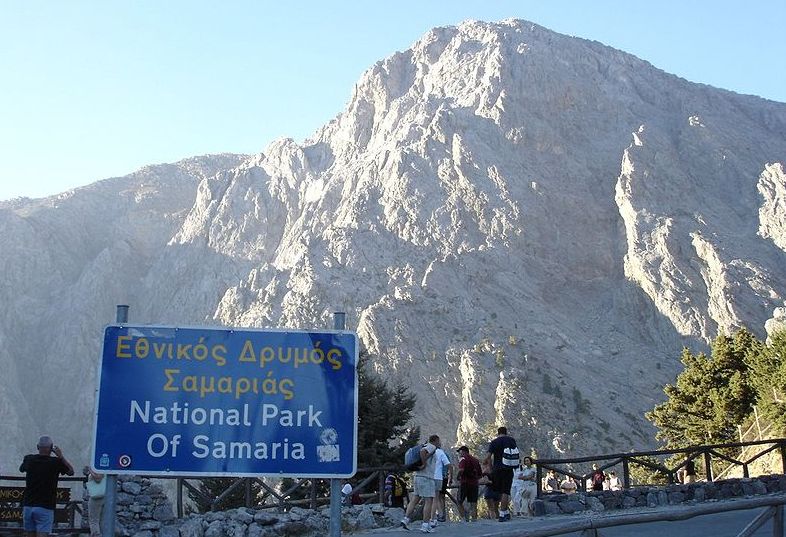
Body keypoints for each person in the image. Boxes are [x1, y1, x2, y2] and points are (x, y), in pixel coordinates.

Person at [19, 436, 75, 537]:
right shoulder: (56, 462)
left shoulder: (29, 459)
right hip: (45, 506)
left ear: (37, 447)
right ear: (51, 448)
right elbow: (71, 471)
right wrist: (61, 457)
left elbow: (21, 469)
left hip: (28, 505)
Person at [401, 435, 439, 533]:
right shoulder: (432, 446)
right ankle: (425, 525)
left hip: (417, 477)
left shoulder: (424, 445)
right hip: (426, 478)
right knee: (429, 501)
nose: (440, 443)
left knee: (415, 499)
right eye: (439, 441)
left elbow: (422, 452)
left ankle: (405, 519)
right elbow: (423, 452)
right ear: (436, 440)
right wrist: (424, 464)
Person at [483, 426, 519, 522]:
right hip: (508, 468)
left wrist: (486, 464)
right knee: (505, 491)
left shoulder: (494, 442)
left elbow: (488, 456)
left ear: (498, 433)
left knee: (500, 491)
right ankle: (503, 513)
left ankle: (504, 512)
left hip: (497, 469)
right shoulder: (511, 440)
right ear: (506, 432)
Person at [455, 446, 481, 522]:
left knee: (459, 501)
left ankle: (463, 519)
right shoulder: (476, 460)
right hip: (474, 484)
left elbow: (461, 470)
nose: (459, 454)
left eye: (459, 452)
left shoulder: (463, 459)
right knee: (473, 503)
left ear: (463, 451)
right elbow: (480, 473)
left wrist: (458, 477)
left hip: (464, 483)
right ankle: (474, 519)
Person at [431, 444, 452, 525]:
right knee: (441, 496)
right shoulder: (444, 454)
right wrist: (450, 478)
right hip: (445, 477)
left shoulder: (437, 454)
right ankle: (442, 514)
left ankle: (440, 515)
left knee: (437, 496)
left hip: (439, 477)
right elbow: (450, 466)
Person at [83, 466, 106, 537]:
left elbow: (98, 479)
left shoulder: (99, 468)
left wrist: (90, 470)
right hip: (103, 496)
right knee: (101, 519)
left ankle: (96, 535)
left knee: (94, 520)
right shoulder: (104, 468)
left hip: (96, 497)